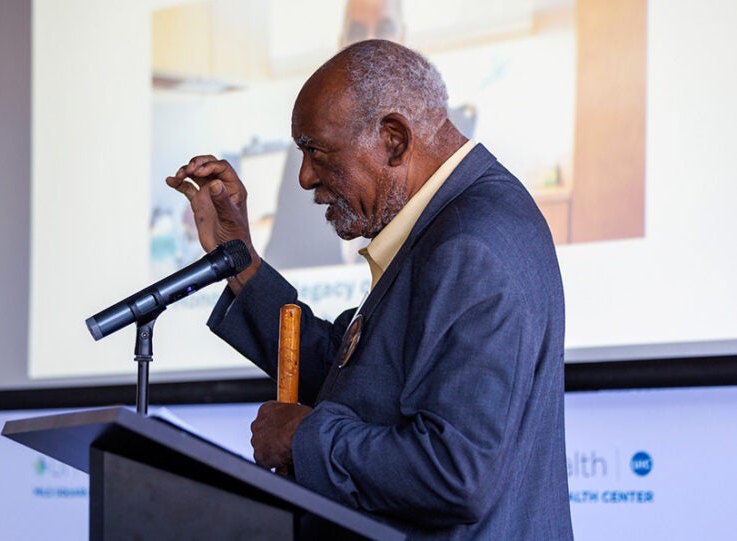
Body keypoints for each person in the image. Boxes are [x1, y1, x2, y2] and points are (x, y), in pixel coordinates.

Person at [166, 39, 572, 539]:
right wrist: (239, 260)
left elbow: (456, 471)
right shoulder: (452, 222)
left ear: (394, 140)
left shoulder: (468, 243)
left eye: (316, 150)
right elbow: (354, 374)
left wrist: (300, 441)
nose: (305, 178)